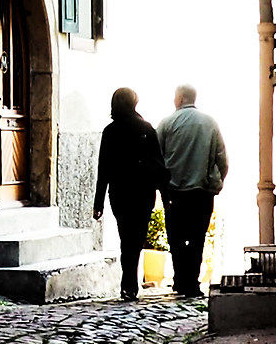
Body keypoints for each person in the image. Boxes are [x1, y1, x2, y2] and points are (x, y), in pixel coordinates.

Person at [92, 88, 165, 300]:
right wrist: (165, 194)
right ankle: (130, 284)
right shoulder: (146, 129)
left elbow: (103, 169)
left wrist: (99, 203)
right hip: (143, 192)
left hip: (120, 193)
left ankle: (128, 284)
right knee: (137, 239)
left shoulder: (110, 131)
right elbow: (158, 164)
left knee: (126, 238)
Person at [158, 84, 228, 299]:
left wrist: (162, 187)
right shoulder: (210, 123)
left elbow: (157, 157)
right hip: (202, 192)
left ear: (179, 98)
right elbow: (222, 159)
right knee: (198, 238)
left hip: (174, 192)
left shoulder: (166, 124)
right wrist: (217, 182)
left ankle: (180, 279)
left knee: (176, 238)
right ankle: (193, 283)